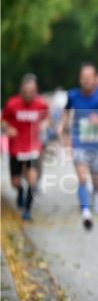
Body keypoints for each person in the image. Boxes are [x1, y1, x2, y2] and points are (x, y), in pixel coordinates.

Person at [60, 63, 98, 229]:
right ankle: (85, 211)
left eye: (89, 78)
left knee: (96, 178)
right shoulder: (73, 95)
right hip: (79, 141)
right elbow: (66, 111)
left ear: (94, 79)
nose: (86, 81)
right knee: (82, 177)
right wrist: (63, 125)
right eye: (83, 78)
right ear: (80, 79)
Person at [1, 74, 50, 221]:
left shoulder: (41, 104)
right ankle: (20, 191)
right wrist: (8, 129)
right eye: (26, 92)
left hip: (33, 147)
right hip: (16, 147)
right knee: (15, 182)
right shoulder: (12, 104)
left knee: (32, 179)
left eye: (32, 92)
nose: (29, 95)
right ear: (21, 90)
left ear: (36, 91)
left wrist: (44, 124)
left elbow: (47, 118)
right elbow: (3, 121)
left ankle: (27, 210)